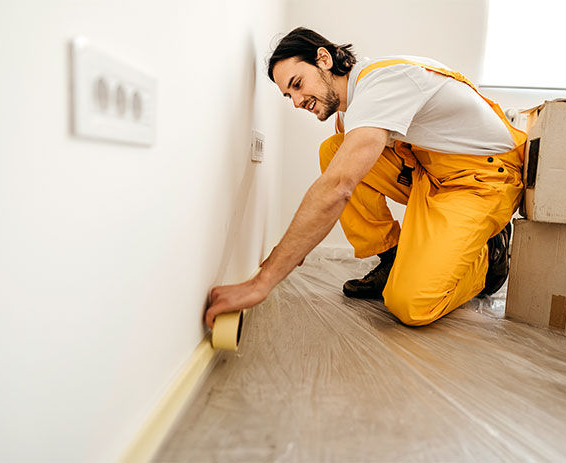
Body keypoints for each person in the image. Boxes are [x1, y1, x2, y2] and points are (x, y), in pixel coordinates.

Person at [204, 27, 525, 329]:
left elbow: (338, 188)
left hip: (482, 179)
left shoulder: (383, 83)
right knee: (335, 151)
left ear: (324, 59)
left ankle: (488, 258)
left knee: (410, 304)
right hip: (431, 173)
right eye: (289, 96)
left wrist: (264, 281)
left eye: (298, 84)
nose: (298, 102)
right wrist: (295, 247)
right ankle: (391, 256)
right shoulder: (349, 112)